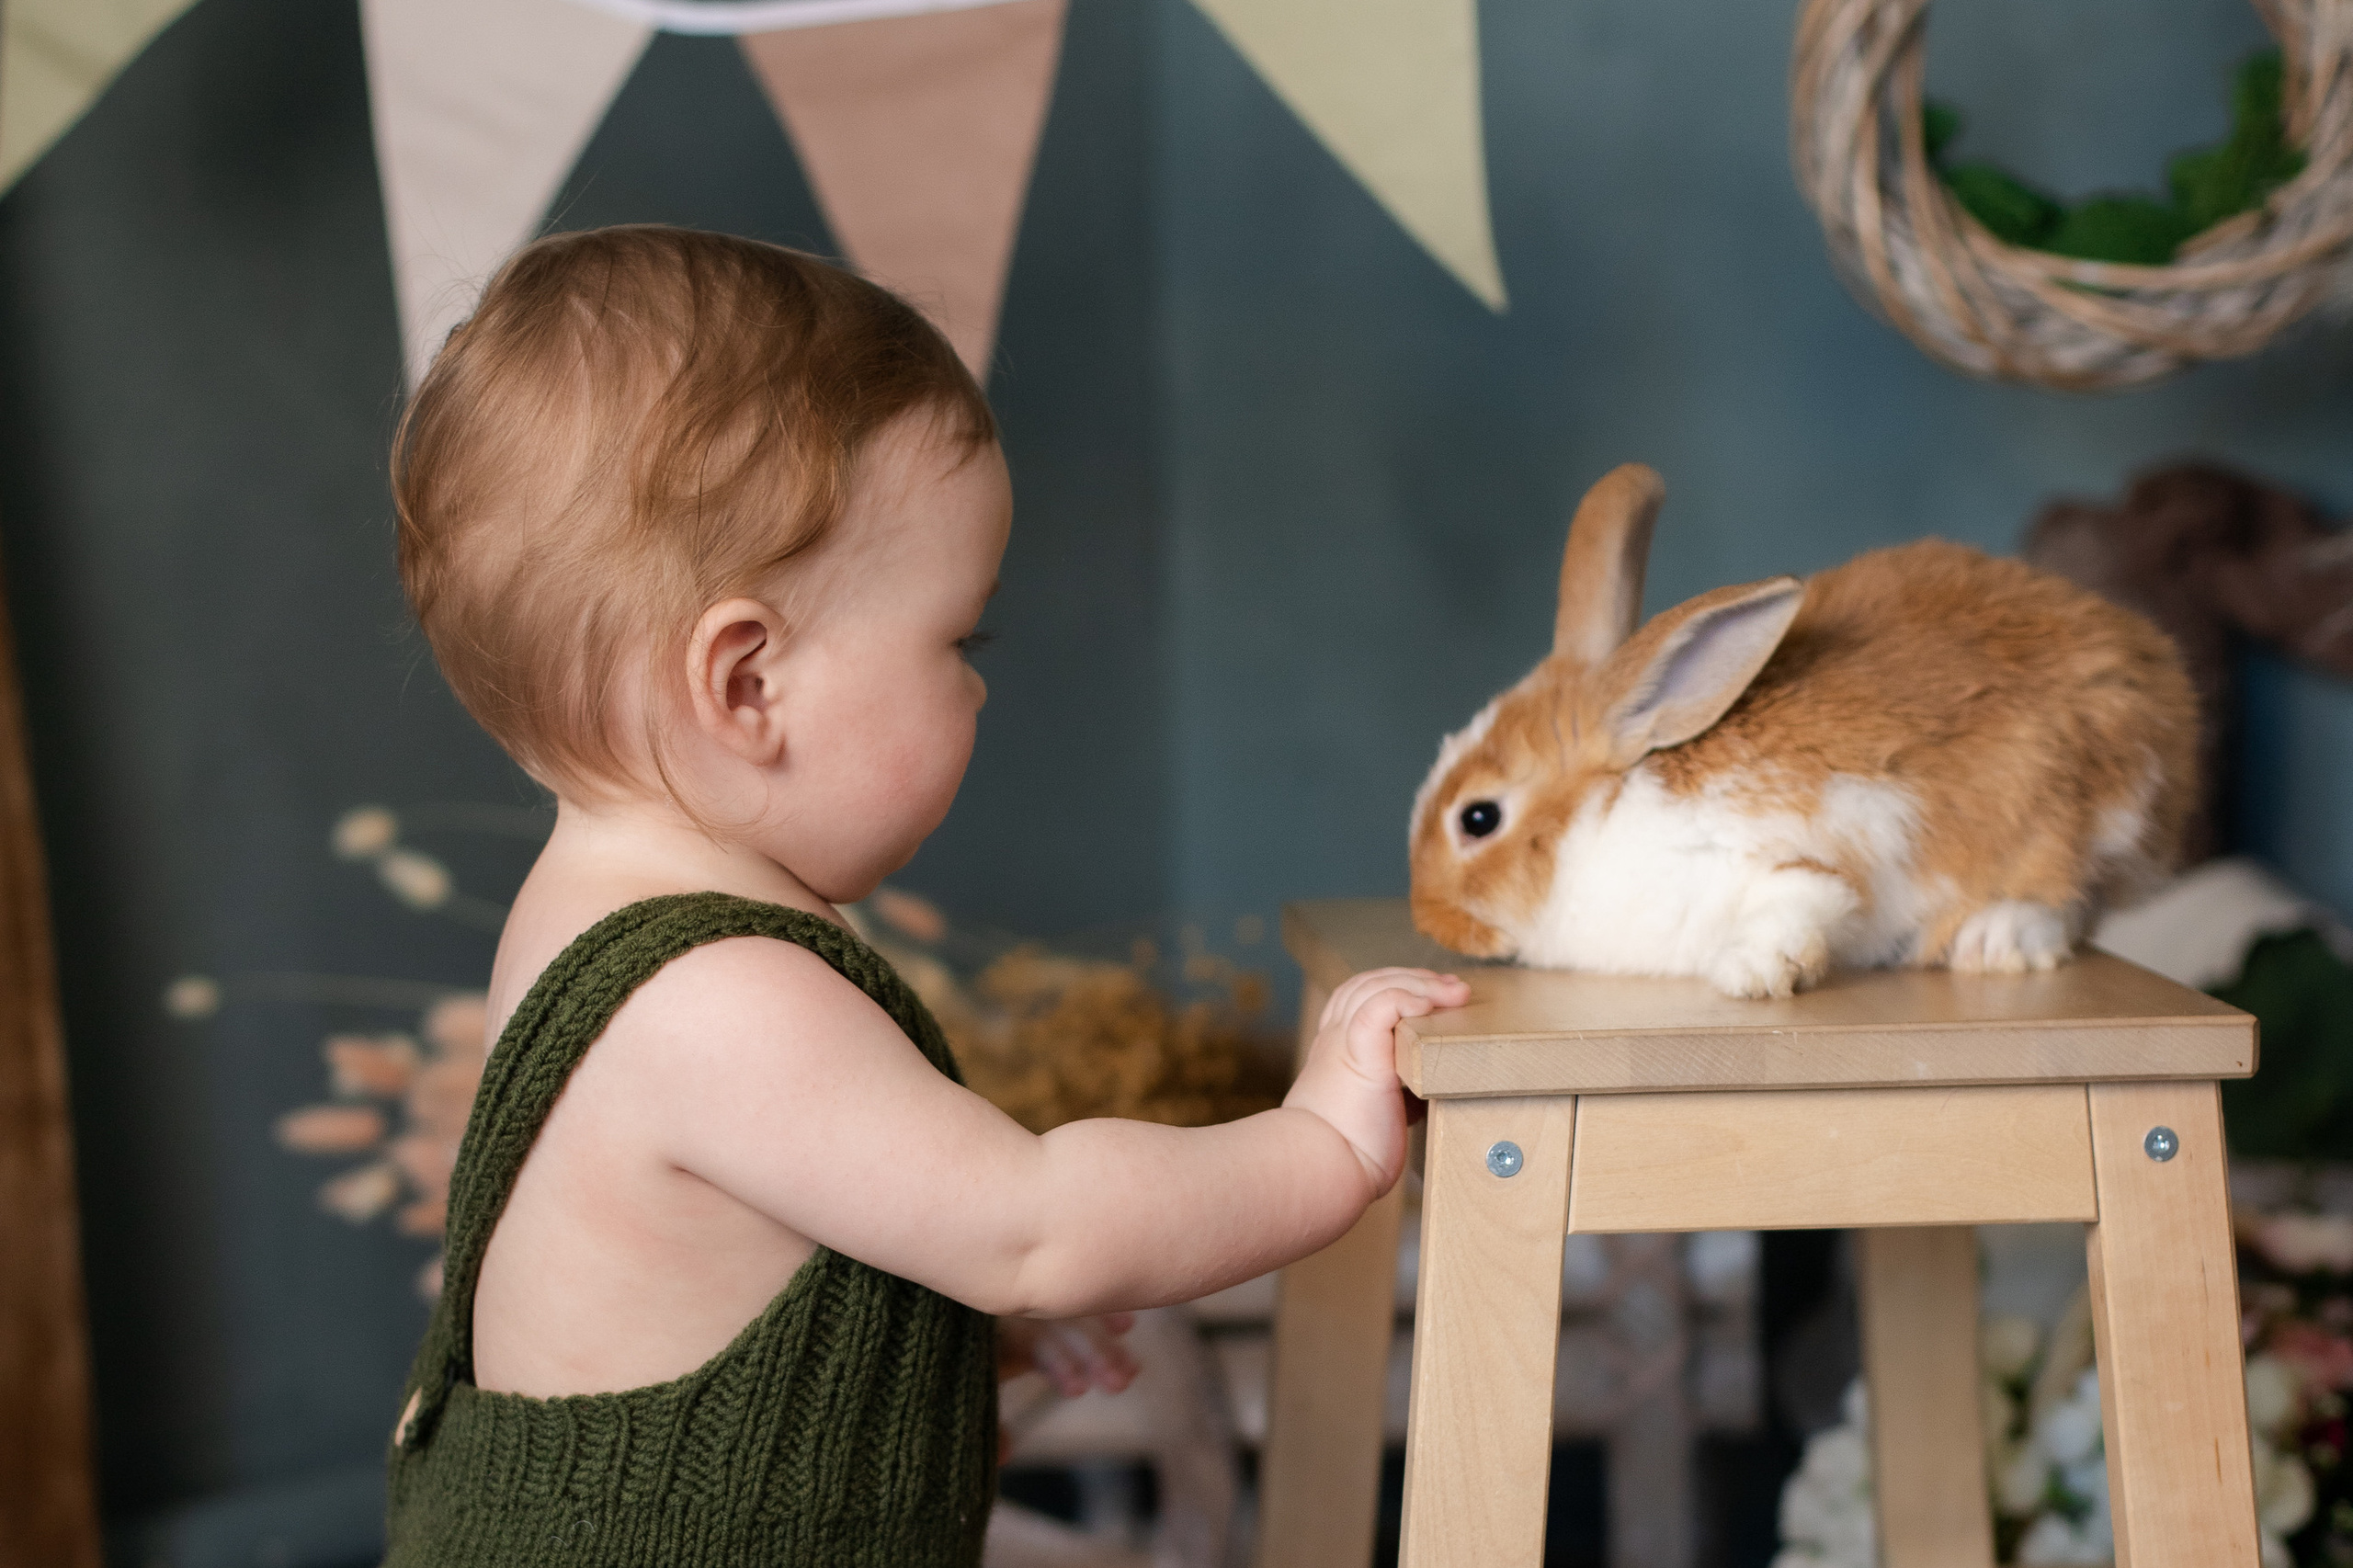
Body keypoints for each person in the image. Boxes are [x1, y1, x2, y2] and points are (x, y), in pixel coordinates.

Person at [380, 224, 1466, 1566]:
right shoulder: (710, 991)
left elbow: (735, 1274)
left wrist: (949, 1335)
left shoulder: (580, 916)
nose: (979, 685)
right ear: (746, 684)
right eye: (960, 635)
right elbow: (1039, 1221)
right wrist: (1323, 1148)